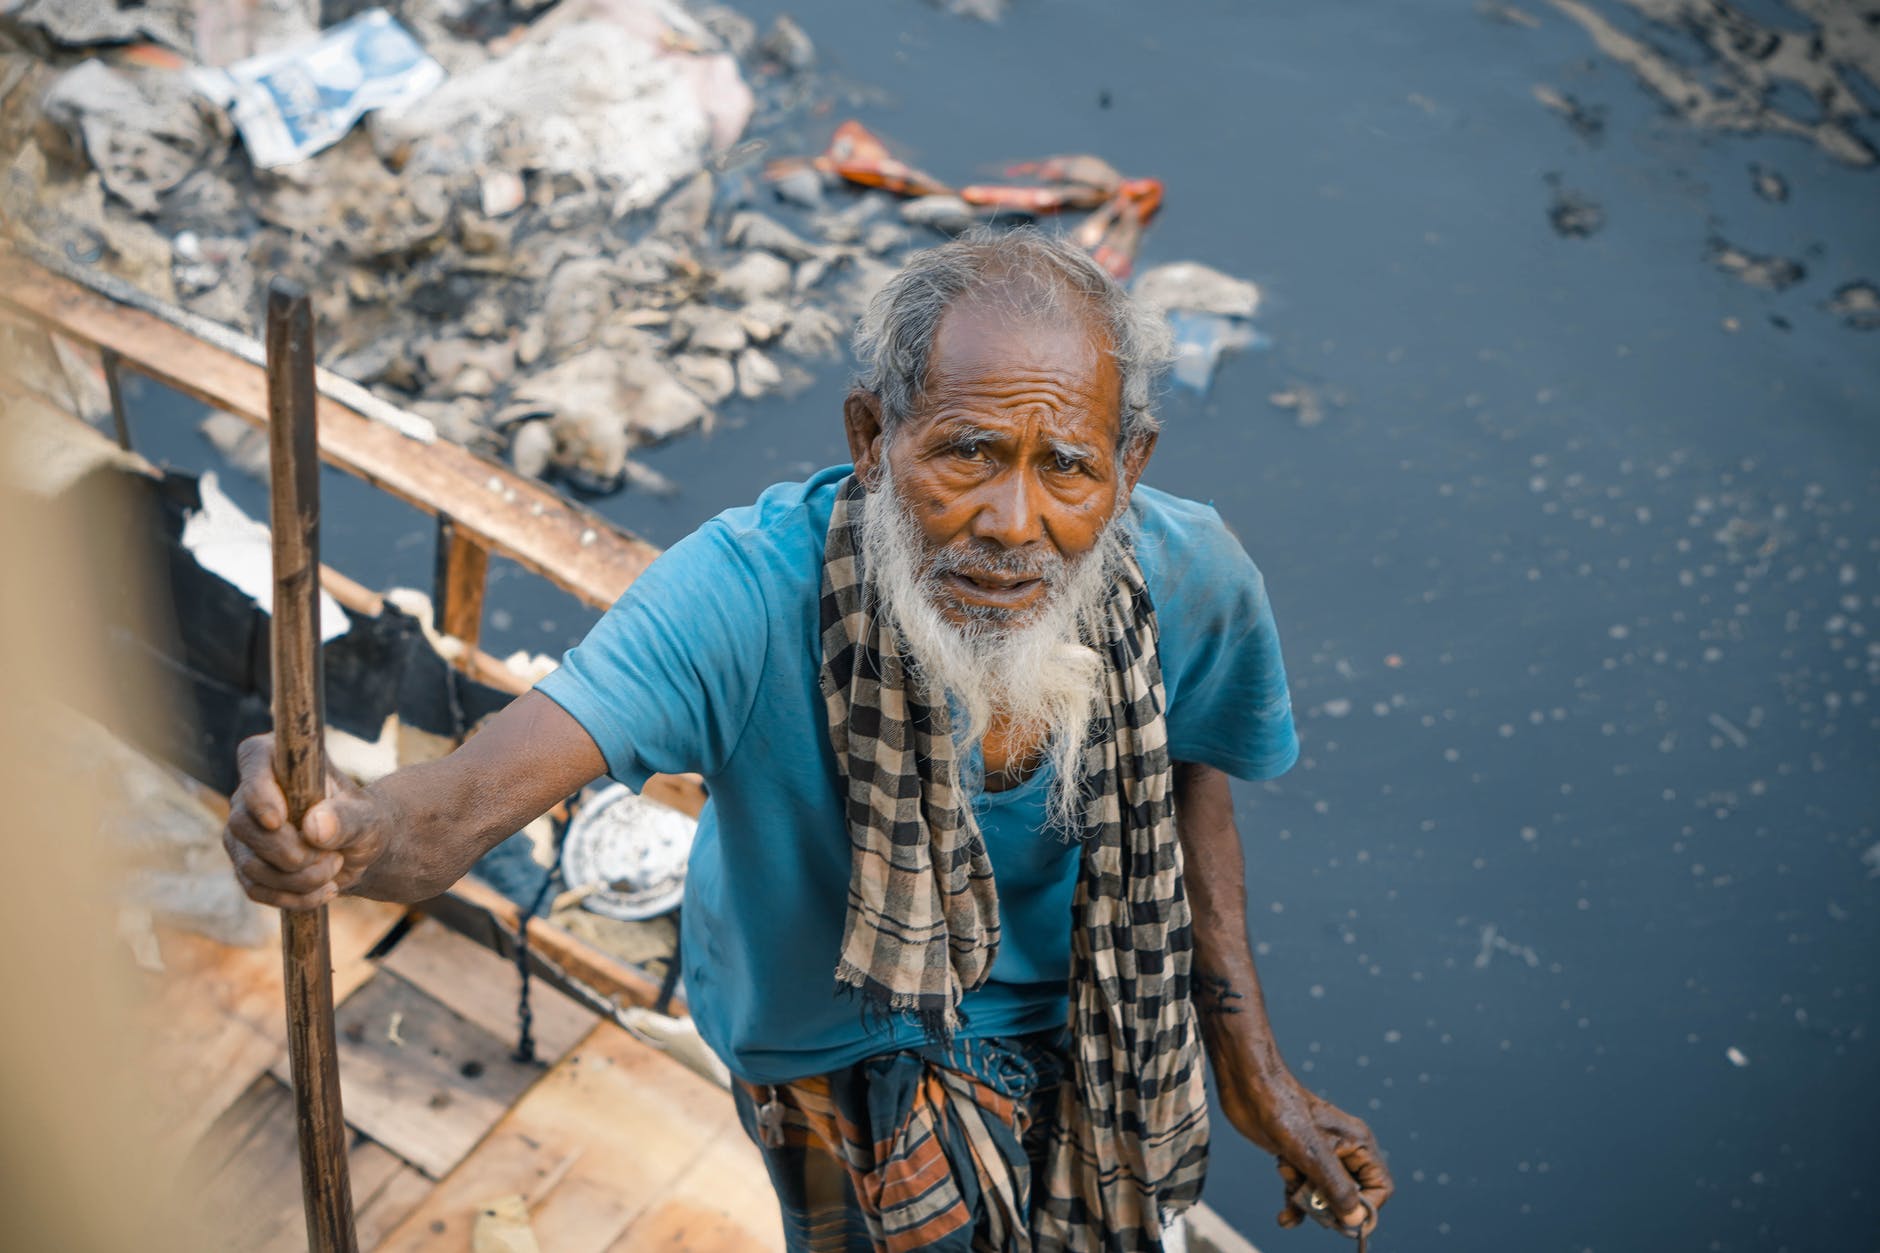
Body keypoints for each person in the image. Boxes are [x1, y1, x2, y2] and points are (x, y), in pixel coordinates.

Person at [222, 228, 1392, 1251]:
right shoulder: (739, 593)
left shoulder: (1193, 582)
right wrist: (345, 829)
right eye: (966, 452)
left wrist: (1251, 1058)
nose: (1011, 522)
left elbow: (1191, 779)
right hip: (832, 1043)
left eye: (1066, 469)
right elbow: (456, 811)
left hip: (1094, 1013)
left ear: (1126, 468)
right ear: (874, 435)